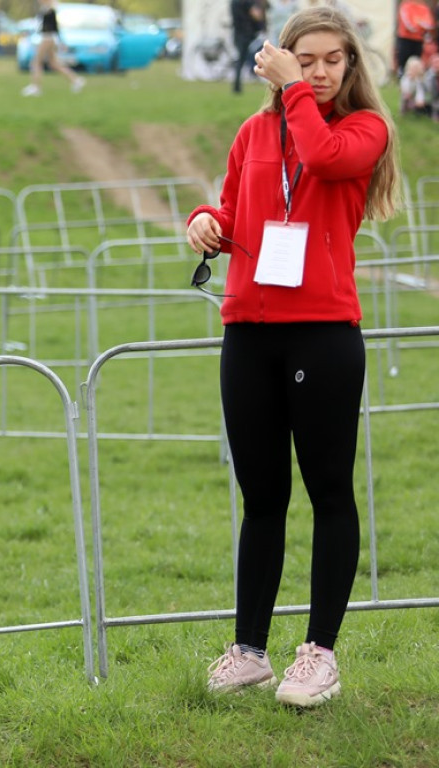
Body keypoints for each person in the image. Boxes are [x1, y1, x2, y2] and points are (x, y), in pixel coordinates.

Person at [187, 6, 400, 708]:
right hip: (249, 327)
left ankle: (320, 653)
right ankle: (249, 649)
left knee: (329, 492)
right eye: (302, 59)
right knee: (262, 498)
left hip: (323, 332)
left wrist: (296, 93)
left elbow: (322, 158)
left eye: (330, 59)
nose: (316, 70)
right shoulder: (254, 131)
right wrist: (205, 225)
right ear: (280, 57)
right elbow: (229, 204)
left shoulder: (361, 129)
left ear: (350, 64)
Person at [21, 0, 84, 96]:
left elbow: (54, 28)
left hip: (48, 38)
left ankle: (35, 87)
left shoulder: (50, 10)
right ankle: (75, 80)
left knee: (36, 62)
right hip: (48, 38)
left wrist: (61, 41)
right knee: (53, 64)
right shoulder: (46, 9)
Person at [230, 0, 266, 93]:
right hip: (248, 34)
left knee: (240, 60)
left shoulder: (234, 2)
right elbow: (256, 14)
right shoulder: (248, 1)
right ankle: (240, 84)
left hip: (237, 33)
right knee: (253, 55)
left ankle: (237, 86)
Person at [396, 0, 436, 76]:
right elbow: (409, 24)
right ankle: (402, 78)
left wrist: (418, 24)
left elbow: (430, 24)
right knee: (404, 61)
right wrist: (419, 25)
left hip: (418, 39)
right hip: (405, 38)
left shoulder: (424, 8)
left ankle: (416, 79)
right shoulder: (406, 6)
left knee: (417, 61)